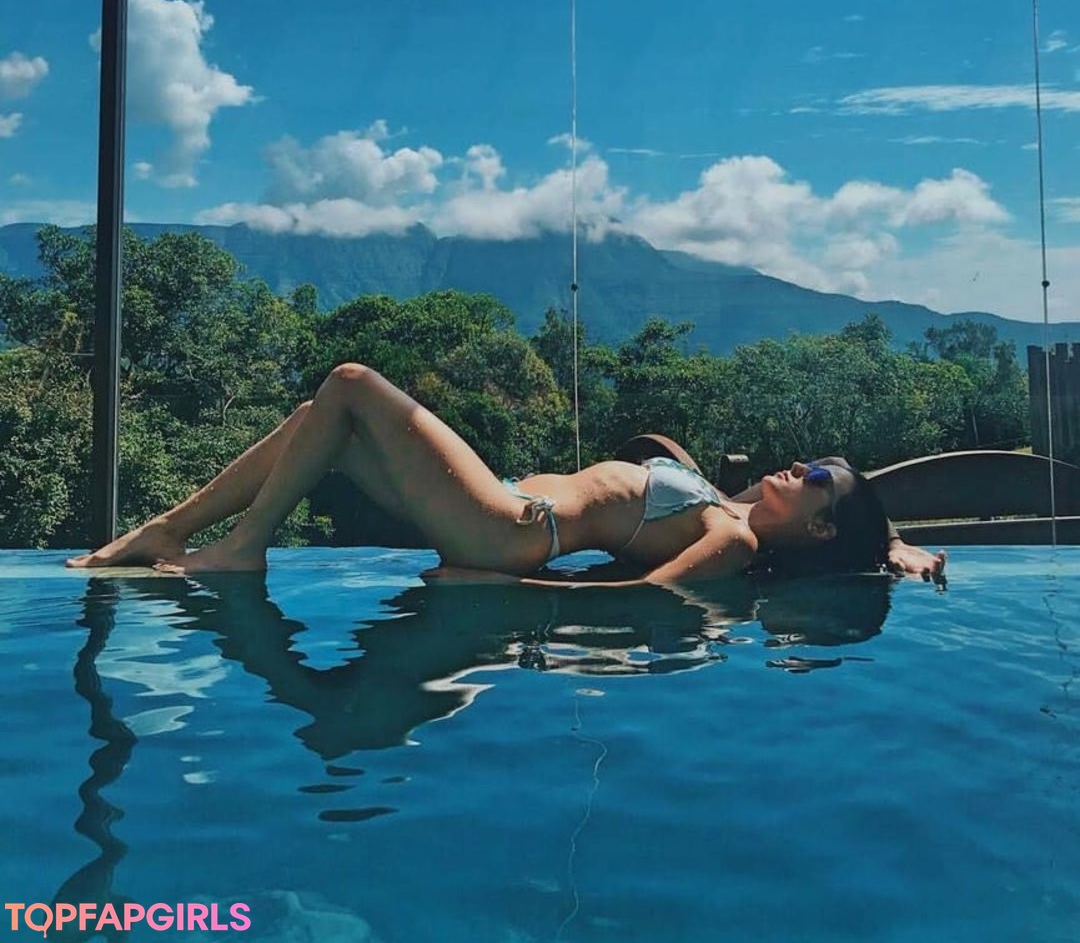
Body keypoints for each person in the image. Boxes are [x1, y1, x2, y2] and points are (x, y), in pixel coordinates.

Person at [67, 362, 945, 586]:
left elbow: (642, 601)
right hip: (500, 507)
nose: (800, 465)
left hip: (508, 529)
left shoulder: (732, 540)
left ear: (819, 525)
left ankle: (243, 547)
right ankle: (170, 530)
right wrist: (892, 542)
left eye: (818, 477)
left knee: (350, 385)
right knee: (316, 419)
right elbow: (853, 518)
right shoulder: (739, 507)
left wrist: (503, 592)